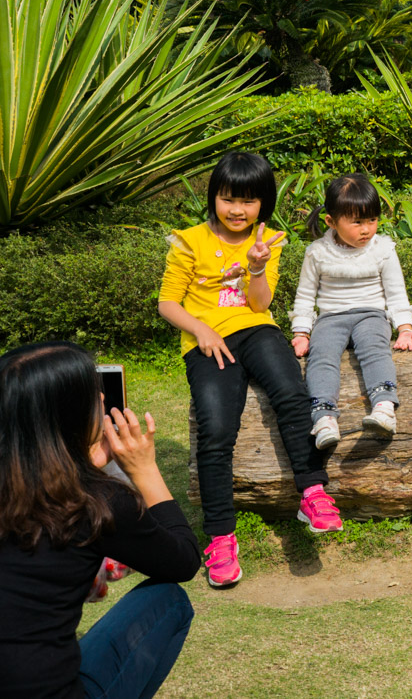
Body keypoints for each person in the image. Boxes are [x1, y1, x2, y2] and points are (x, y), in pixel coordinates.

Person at [157, 151, 343, 590]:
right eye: (227, 199)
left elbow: (260, 304)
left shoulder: (270, 240)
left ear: (264, 203)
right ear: (214, 198)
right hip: (208, 342)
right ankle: (220, 537)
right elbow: (166, 303)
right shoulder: (189, 240)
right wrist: (200, 330)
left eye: (249, 201)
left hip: (256, 330)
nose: (237, 210)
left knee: (291, 394)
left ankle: (313, 493)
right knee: (216, 430)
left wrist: (256, 267)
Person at [0, 342, 199, 699]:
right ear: (74, 415)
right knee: (169, 600)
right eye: (96, 396)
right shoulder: (93, 503)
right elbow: (183, 561)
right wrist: (144, 469)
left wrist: (80, 467)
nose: (104, 400)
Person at [290, 173, 412, 449]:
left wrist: (404, 327)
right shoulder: (317, 252)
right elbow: (305, 295)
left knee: (374, 348)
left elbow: (395, 292)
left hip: (370, 314)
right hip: (330, 319)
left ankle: (384, 408)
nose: (366, 229)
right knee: (321, 357)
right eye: (357, 221)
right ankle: (323, 418)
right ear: (331, 222)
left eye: (372, 220)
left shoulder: (382, 249)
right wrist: (301, 331)